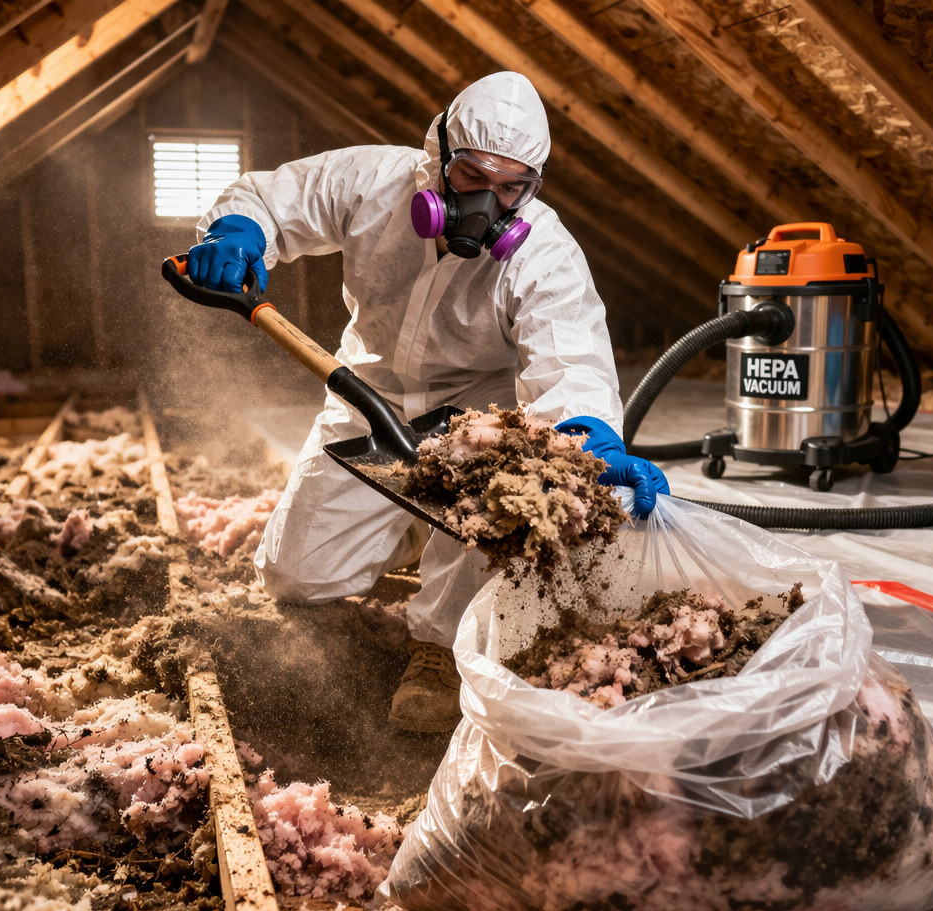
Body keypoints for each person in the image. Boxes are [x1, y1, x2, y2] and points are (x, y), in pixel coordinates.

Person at [189, 71, 668, 732]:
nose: (488, 202)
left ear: (533, 186)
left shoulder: (544, 254)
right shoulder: (373, 182)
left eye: (512, 187)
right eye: (471, 176)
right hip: (370, 396)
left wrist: (587, 443)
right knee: (296, 576)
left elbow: (572, 358)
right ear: (437, 156)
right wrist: (239, 231)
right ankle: (414, 527)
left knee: (495, 519)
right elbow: (274, 197)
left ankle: (441, 648)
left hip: (478, 418)